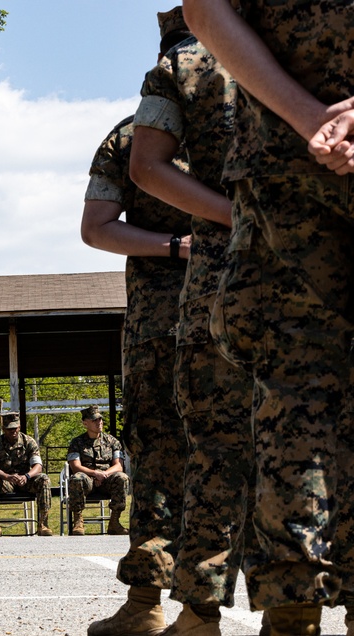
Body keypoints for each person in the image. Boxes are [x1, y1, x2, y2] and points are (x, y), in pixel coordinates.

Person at [184, 2, 354, 633]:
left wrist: (310, 118)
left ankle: (290, 613)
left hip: (284, 163)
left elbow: (204, 8)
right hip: (286, 174)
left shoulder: (172, 74)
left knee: (291, 404)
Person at [128, 9, 255, 634]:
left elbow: (142, 172)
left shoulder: (179, 71)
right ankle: (295, 609)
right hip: (321, 267)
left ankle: (198, 612)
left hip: (213, 289)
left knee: (213, 445)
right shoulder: (314, 57)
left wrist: (232, 219)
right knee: (314, 437)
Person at [80, 9, 195, 634]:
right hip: (258, 308)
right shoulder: (263, 125)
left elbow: (97, 229)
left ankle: (146, 605)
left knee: (159, 456)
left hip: (162, 322)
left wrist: (171, 248)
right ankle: (289, 607)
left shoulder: (129, 136)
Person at [0, 411, 53, 537]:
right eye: (9, 429)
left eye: (15, 428)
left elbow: (38, 466)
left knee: (44, 479)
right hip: (6, 481)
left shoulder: (29, 442)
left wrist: (27, 476)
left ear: (19, 427)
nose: (12, 431)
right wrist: (7, 476)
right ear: (3, 429)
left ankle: (43, 523)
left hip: (26, 481)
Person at [66, 406, 129, 537]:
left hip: (107, 480)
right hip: (88, 480)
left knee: (122, 477)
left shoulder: (112, 441)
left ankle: (114, 522)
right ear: (85, 423)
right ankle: (78, 521)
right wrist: (95, 473)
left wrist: (104, 474)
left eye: (100, 419)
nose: (99, 422)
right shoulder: (77, 442)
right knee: (77, 478)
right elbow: (75, 466)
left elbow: (118, 466)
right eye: (94, 420)